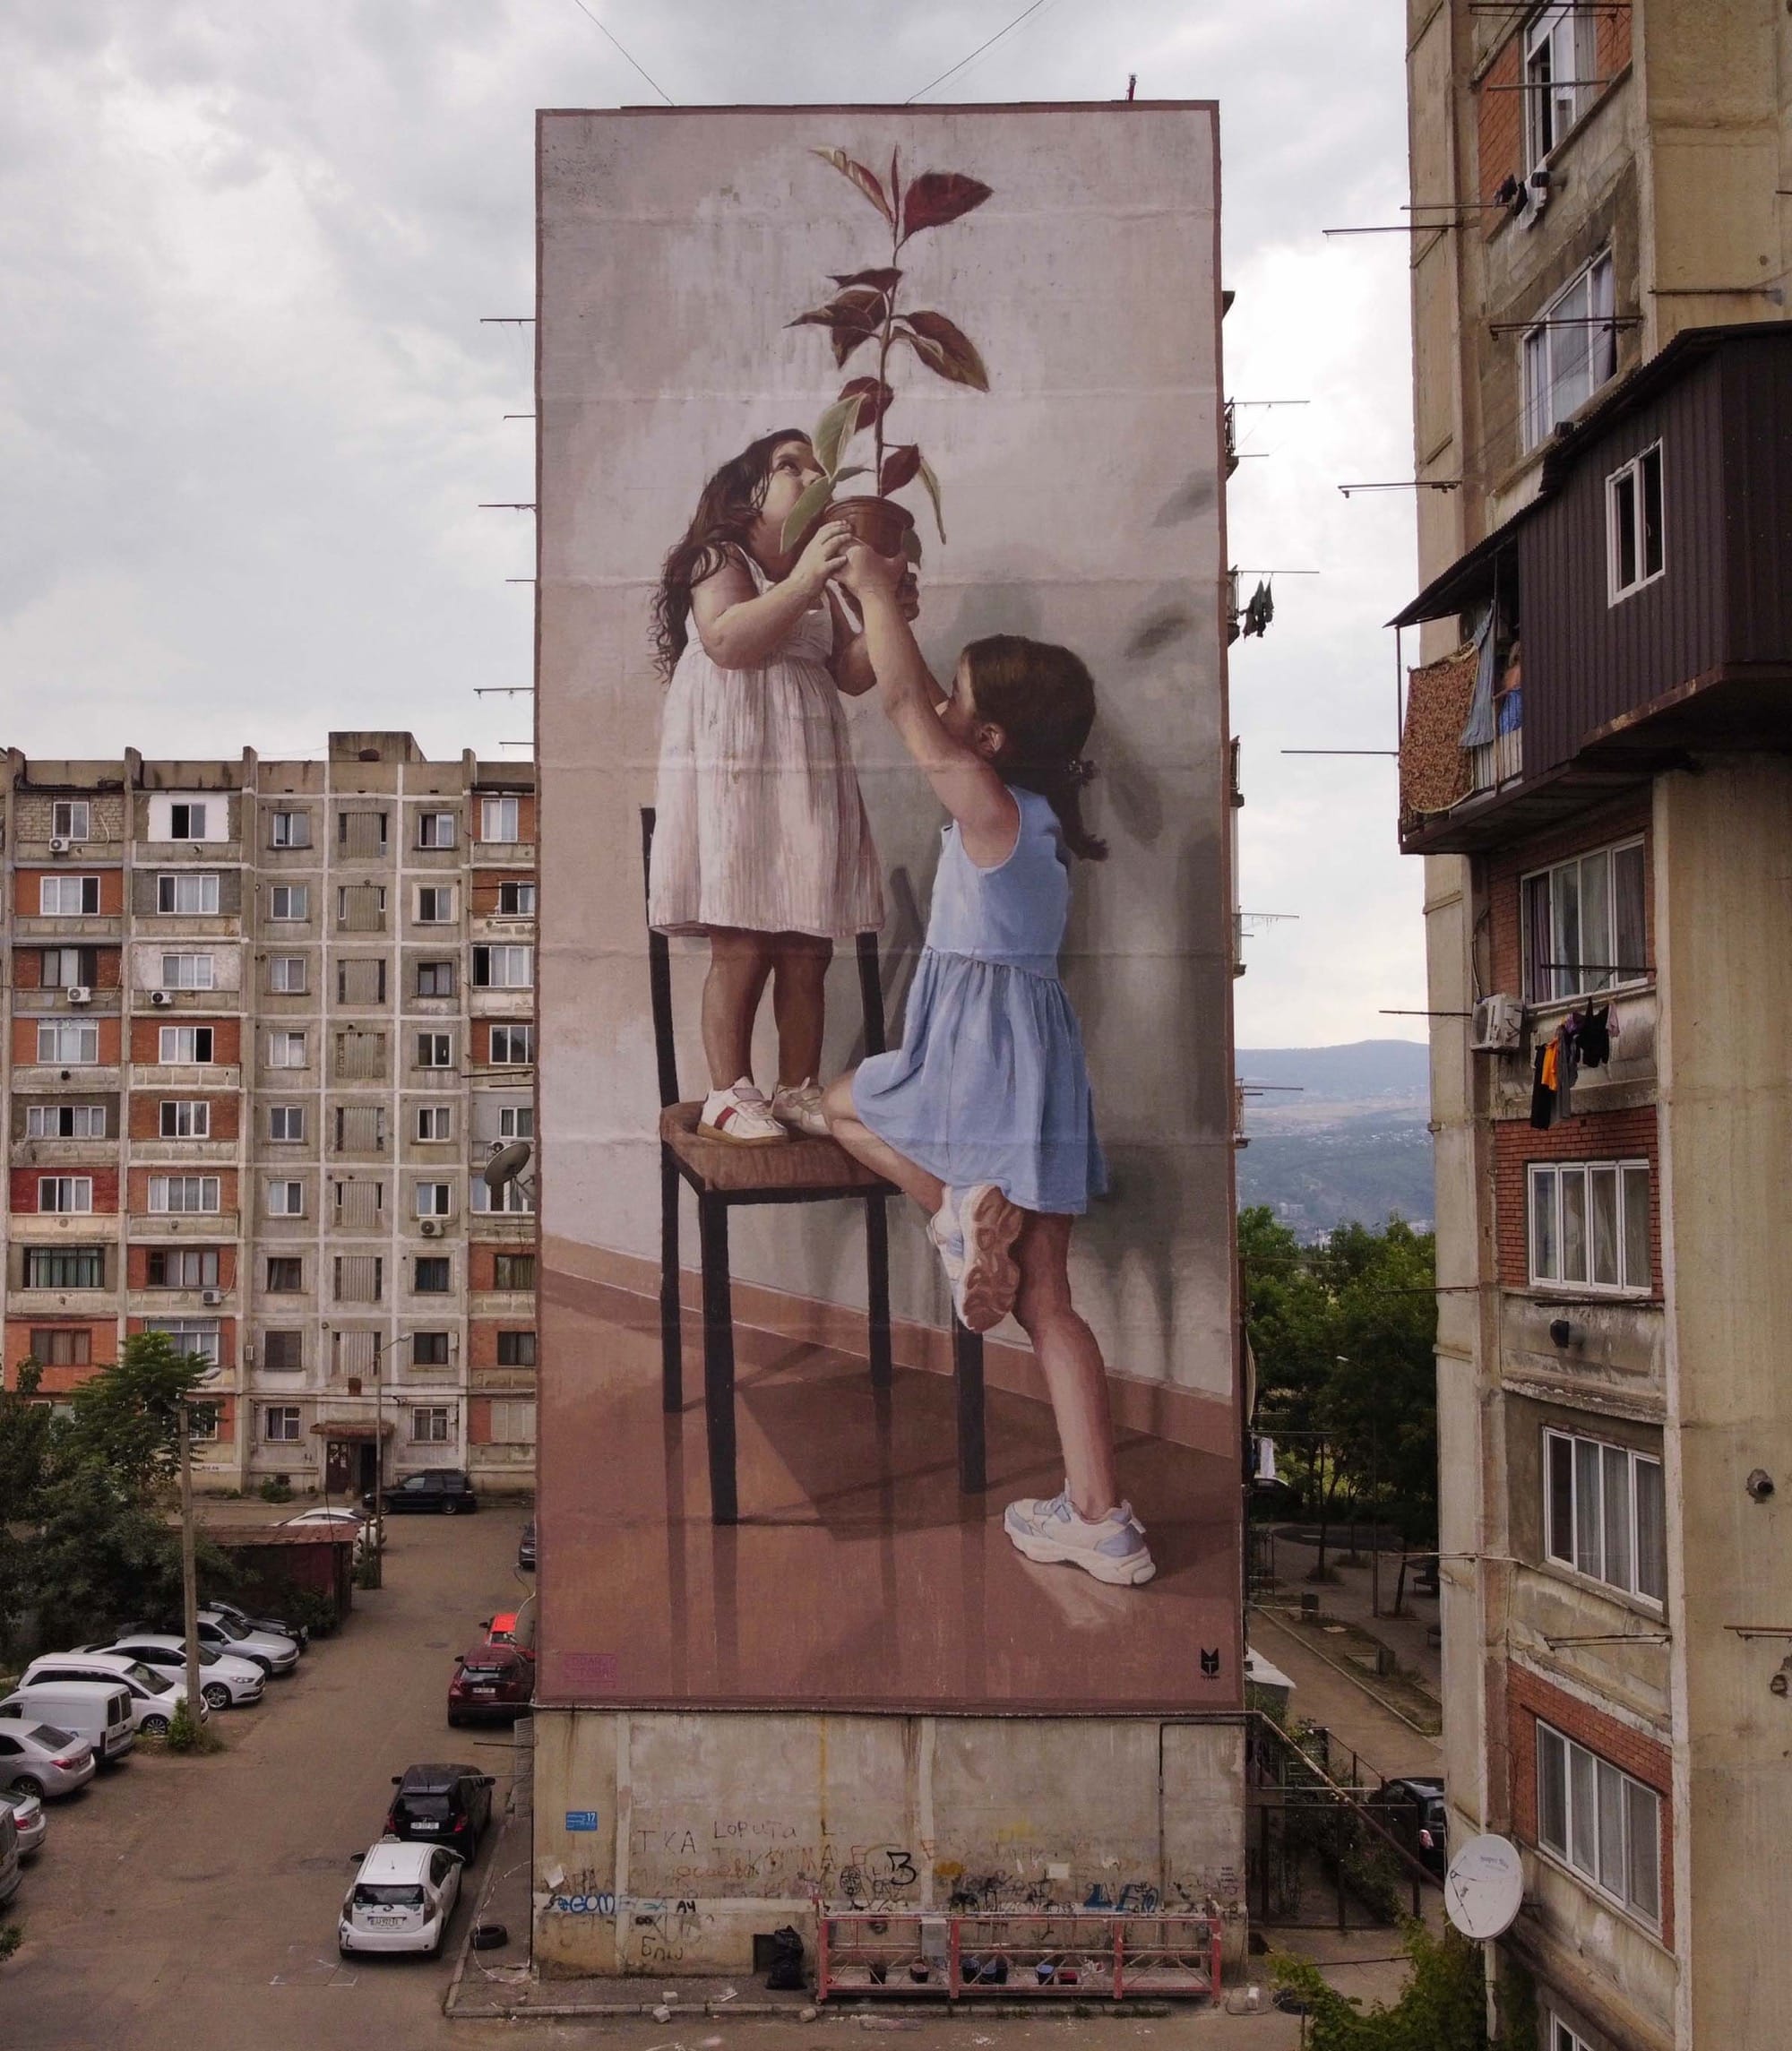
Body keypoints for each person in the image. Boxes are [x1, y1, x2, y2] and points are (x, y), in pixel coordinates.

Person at [821, 546, 1154, 1589]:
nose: (940, 706)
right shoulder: (1033, 814)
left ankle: (957, 1209)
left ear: (988, 739)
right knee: (1049, 1302)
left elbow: (900, 706)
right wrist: (891, 620)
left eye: (958, 701)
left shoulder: (983, 805)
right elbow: (920, 696)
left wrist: (872, 591)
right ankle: (1102, 1519)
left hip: (974, 1054)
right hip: (1041, 1064)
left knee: (837, 1104)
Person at [648, 430, 910, 1143]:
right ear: (744, 494)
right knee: (741, 945)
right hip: (738, 781)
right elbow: (728, 640)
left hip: (803, 785)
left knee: (806, 947)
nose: (809, 475)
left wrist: (886, 605)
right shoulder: (720, 559)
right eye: (789, 465)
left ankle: (796, 1086)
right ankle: (728, 1092)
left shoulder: (817, 578)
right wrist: (803, 583)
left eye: (817, 468)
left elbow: (851, 672)